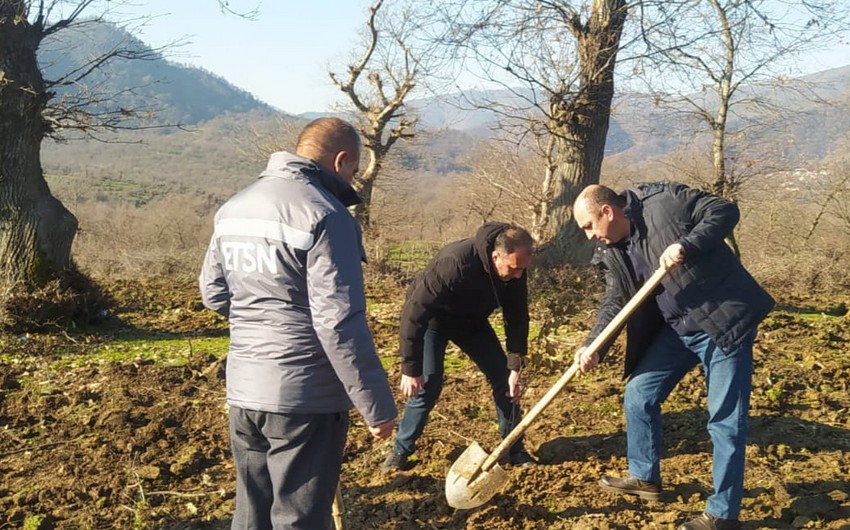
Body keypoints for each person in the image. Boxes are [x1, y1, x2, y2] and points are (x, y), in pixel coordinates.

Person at [199, 117, 397, 530]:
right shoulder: (327, 215)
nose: (353, 179)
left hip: (245, 391)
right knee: (299, 519)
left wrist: (263, 324)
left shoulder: (233, 207)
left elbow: (214, 293)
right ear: (342, 160)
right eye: (354, 171)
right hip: (306, 397)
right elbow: (338, 321)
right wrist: (376, 406)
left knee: (251, 515)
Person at [571, 182, 774, 530]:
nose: (589, 236)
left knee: (724, 420)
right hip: (677, 329)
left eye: (589, 226)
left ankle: (723, 515)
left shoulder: (664, 202)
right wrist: (594, 345)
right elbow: (615, 302)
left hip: (721, 319)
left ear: (607, 211)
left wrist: (686, 244)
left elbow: (724, 210)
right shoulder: (611, 251)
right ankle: (644, 476)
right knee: (639, 394)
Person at [381, 223, 537, 473]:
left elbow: (517, 315)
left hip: (471, 322)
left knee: (504, 378)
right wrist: (411, 368)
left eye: (522, 269)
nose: (518, 275)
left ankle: (514, 448)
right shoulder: (455, 262)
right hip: (434, 320)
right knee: (428, 383)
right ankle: (401, 450)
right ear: (496, 256)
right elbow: (414, 313)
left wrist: (515, 363)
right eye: (513, 268)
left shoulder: (516, 267)